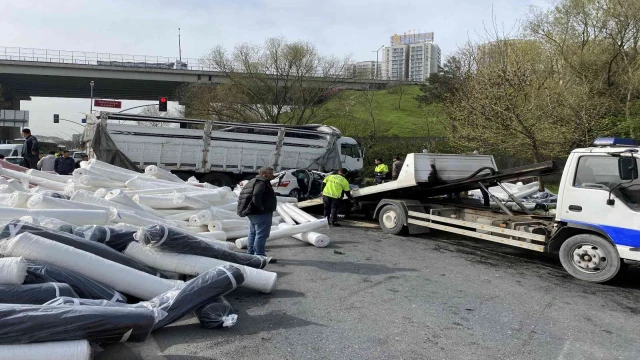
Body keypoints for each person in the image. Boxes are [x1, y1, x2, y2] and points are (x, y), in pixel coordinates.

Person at [237, 167, 277, 259]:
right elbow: (257, 194)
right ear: (263, 174)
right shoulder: (261, 182)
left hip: (254, 213)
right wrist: (259, 206)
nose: (272, 175)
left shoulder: (254, 180)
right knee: (261, 234)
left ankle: (250, 253)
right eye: (270, 173)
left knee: (253, 233)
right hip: (261, 213)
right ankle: (259, 255)